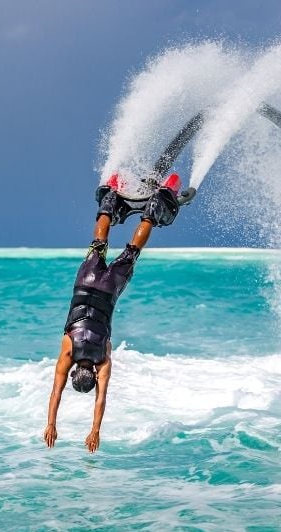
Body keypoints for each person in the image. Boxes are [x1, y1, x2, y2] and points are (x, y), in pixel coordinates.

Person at [43, 174, 182, 453]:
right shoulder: (67, 352)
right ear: (73, 374)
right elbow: (55, 393)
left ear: (93, 375)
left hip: (108, 291)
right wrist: (51, 424)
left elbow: (101, 400)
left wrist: (95, 430)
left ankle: (155, 206)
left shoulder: (102, 360)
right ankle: (110, 200)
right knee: (98, 242)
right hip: (86, 284)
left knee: (132, 251)